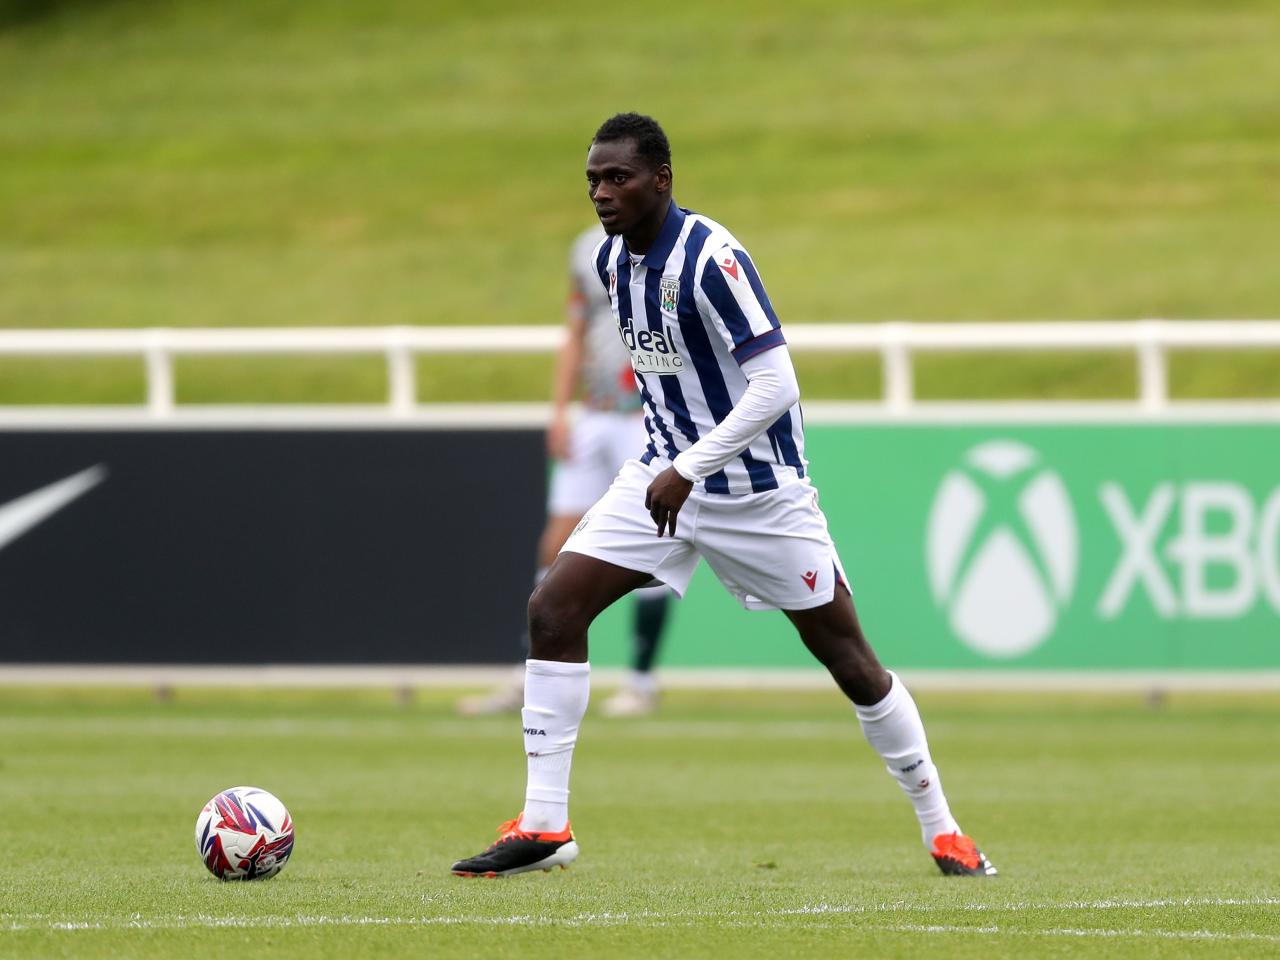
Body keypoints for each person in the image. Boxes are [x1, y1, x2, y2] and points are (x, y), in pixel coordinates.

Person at [450, 113, 996, 879]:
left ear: (661, 180)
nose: (602, 194)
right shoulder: (611, 264)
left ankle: (944, 829)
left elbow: (778, 383)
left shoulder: (713, 258)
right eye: (593, 181)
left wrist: (691, 465)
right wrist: (664, 461)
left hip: (759, 497)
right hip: (659, 479)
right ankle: (545, 825)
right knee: (554, 611)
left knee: (851, 662)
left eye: (618, 178)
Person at [457, 225, 674, 719]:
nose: (607, 190)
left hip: (649, 416)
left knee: (655, 540)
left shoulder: (676, 243)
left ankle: (641, 681)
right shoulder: (586, 249)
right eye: (599, 179)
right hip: (594, 412)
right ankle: (526, 675)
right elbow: (575, 330)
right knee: (555, 543)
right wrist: (560, 409)